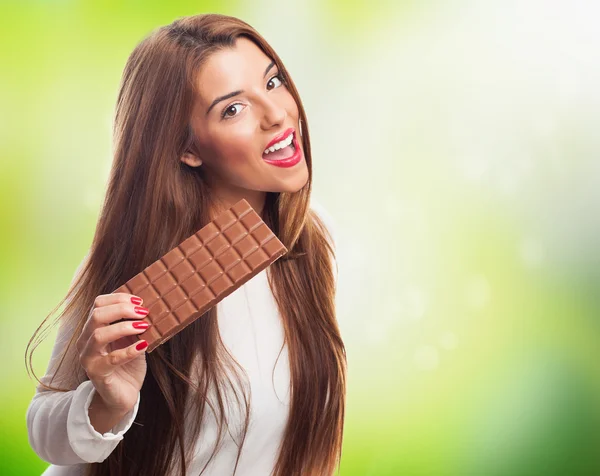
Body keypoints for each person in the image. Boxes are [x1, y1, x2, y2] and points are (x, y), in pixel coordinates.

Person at [25, 12, 346, 476]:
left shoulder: (312, 243)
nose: (277, 114)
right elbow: (46, 434)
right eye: (233, 109)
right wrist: (106, 403)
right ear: (187, 148)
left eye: (273, 82)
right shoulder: (132, 265)